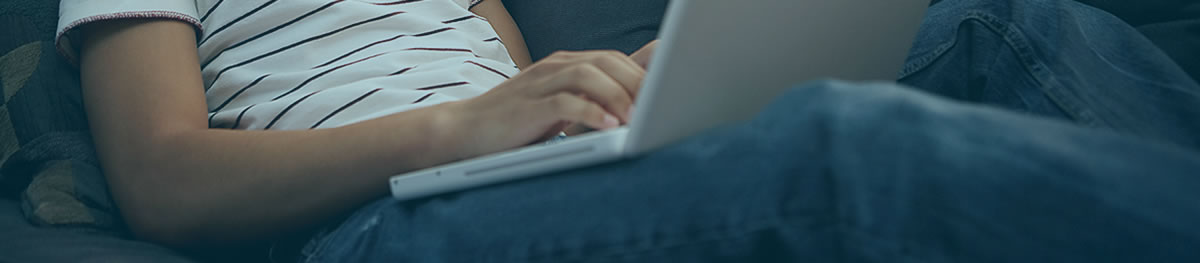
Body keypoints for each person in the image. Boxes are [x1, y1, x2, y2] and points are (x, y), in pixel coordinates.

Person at [59, 0, 1200, 262]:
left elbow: (523, 92)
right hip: (372, 222)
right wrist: (464, 127)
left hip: (511, 174)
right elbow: (164, 179)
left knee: (1003, 23)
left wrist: (632, 92)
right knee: (852, 147)